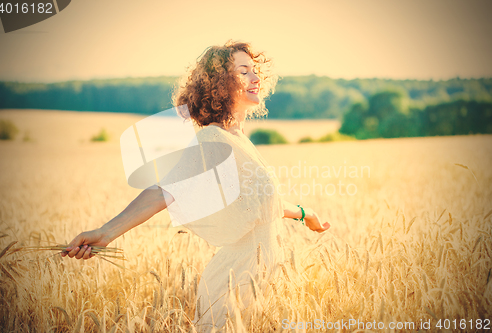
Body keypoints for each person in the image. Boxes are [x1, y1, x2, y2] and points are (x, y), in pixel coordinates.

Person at [62, 40, 330, 331]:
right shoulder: (213, 140)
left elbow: (264, 204)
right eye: (243, 72)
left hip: (262, 282)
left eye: (255, 71)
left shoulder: (238, 138)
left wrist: (306, 214)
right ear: (220, 84)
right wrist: (105, 233)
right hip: (234, 283)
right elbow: (164, 191)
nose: (255, 78)